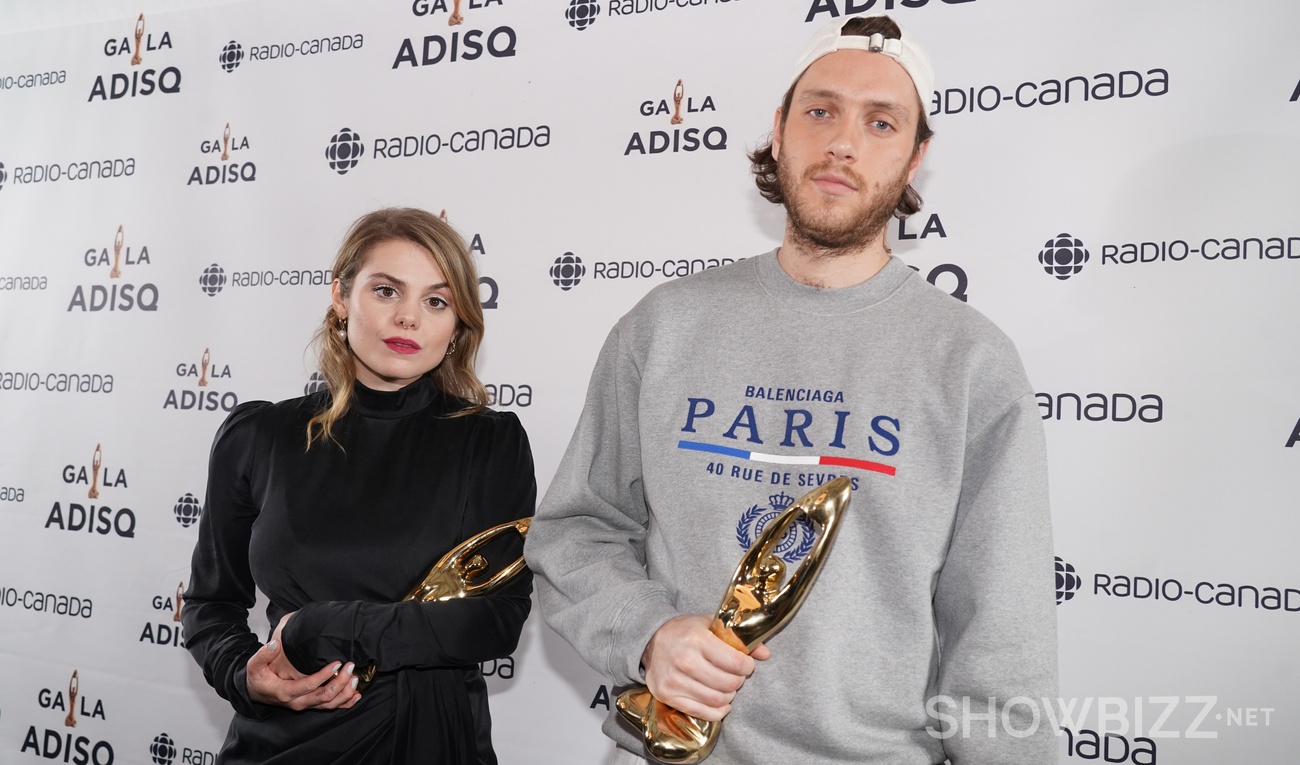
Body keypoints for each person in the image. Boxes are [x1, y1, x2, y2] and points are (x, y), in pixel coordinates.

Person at [524, 15, 1057, 765]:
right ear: (779, 131)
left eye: (881, 122)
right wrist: (649, 632)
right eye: (820, 111)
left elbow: (1001, 642)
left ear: (915, 158)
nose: (843, 143)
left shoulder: (971, 362)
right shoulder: (664, 326)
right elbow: (575, 531)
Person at [183, 208, 536, 765]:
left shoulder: (489, 442)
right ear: (342, 296)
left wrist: (325, 627)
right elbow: (211, 603)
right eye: (387, 291)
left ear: (457, 324)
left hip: (429, 738)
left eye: (436, 301)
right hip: (280, 742)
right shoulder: (259, 436)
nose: (408, 317)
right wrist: (244, 675)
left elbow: (497, 620)